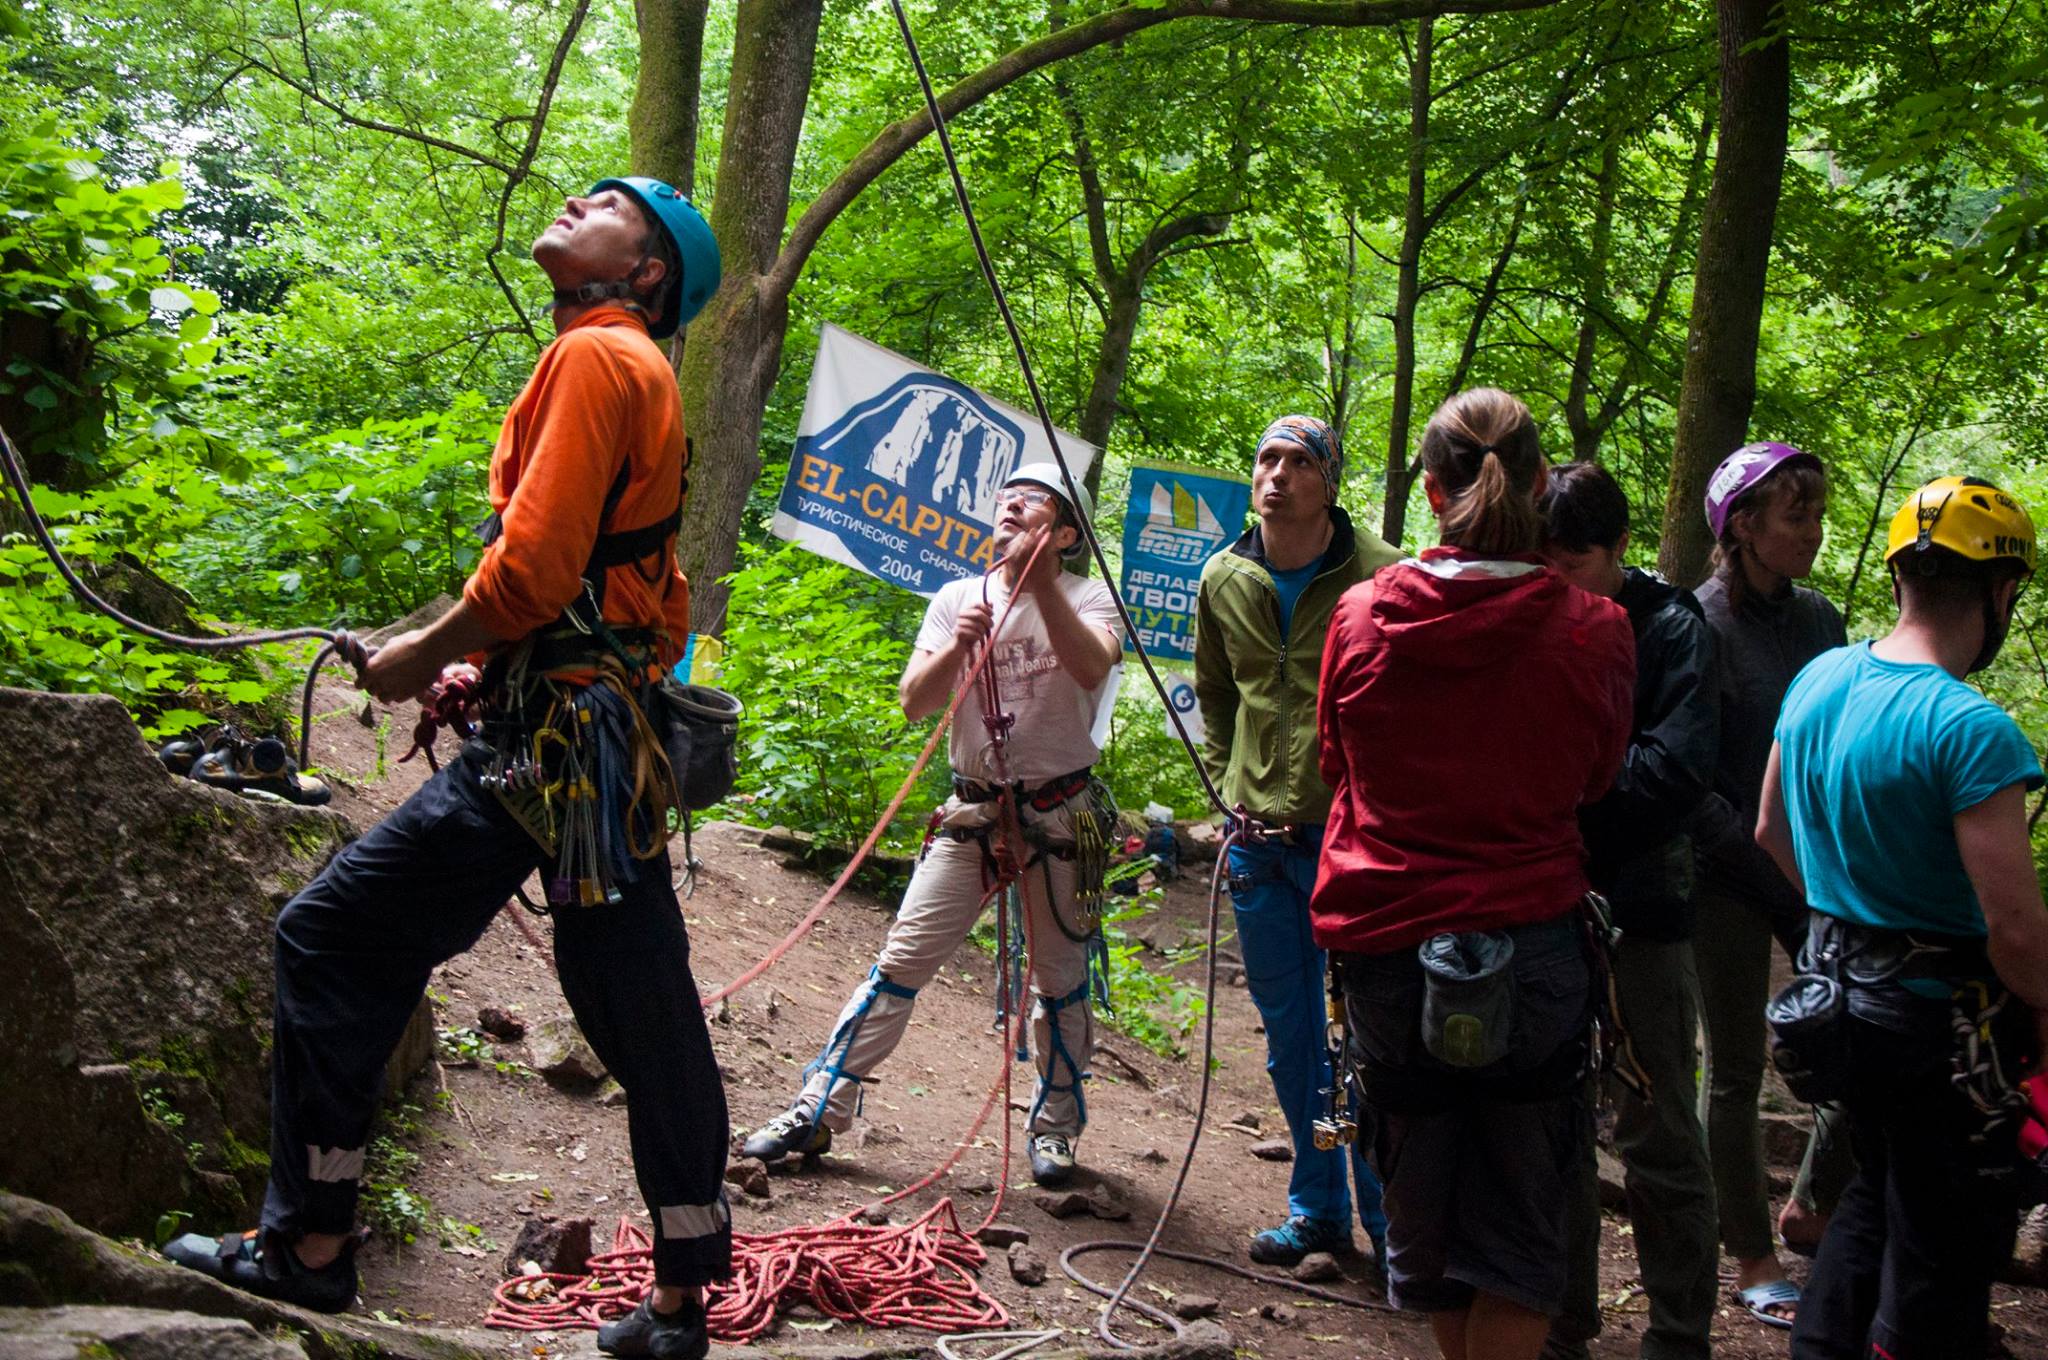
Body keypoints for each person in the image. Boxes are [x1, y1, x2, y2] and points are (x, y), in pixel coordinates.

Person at [163, 177, 732, 1360]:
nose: (580, 197)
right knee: (642, 1006)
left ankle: (310, 1245)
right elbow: (631, 593)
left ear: (646, 273)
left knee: (332, 937)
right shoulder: (627, 368)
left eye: (612, 204)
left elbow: (529, 574)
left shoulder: (599, 359)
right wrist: (496, 665)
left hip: (556, 754)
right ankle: (683, 1296)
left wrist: (421, 652)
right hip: (591, 745)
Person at [1314, 389, 1634, 1360]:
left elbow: (1337, 762)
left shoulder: (1362, 616)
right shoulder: (1592, 629)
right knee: (1521, 1232)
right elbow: (1594, 776)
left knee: (1427, 1214)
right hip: (1530, 953)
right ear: (1541, 484)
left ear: (1427, 490)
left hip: (1386, 951)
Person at [742, 463, 1124, 1188]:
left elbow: (1088, 667)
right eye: (1004, 501)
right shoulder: (956, 598)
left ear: (1067, 534)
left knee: (1061, 979)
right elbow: (915, 702)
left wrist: (1038, 586)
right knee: (902, 958)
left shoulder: (1089, 596)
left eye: (1031, 505)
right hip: (974, 810)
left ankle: (1056, 1129)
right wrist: (959, 645)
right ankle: (819, 1106)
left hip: (1061, 813)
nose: (1009, 510)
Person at [1757, 475, 2048, 1358]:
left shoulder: (1822, 677)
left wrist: (1852, 918)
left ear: (1897, 581)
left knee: (1874, 1204)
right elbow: (2016, 932)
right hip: (1943, 1034)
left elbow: (1769, 829)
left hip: (1839, 1006)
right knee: (1943, 1259)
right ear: (2002, 594)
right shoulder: (1970, 730)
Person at [1193, 414, 1401, 1267]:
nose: (1276, 475)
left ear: (1330, 480)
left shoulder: (1382, 574)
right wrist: (1224, 782)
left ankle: (1392, 1230)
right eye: (1265, 459)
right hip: (1258, 846)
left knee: (1370, 1036)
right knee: (1290, 1038)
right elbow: (1215, 692)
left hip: (1351, 845)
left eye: (1298, 461)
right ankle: (1318, 1209)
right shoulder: (1223, 575)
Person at [1537, 462, 1720, 1360]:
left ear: (1616, 550)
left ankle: (1681, 1333)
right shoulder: (1530, 612)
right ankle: (1562, 1318)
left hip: (1642, 911)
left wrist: (1562, 799)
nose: (1555, 581)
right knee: (1553, 1122)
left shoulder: (1674, 629)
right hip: (1545, 904)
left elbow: (1676, 774)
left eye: (1572, 564)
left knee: (1660, 1130)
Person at [1687, 440, 1848, 1328]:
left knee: (1861, 1041)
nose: (1814, 533)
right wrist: (1771, 867)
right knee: (1737, 1071)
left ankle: (1813, 1206)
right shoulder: (1700, 623)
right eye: (1798, 516)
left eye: (1819, 514)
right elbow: (1696, 783)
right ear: (1742, 527)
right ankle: (1751, 1253)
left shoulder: (1822, 623)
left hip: (1815, 872)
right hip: (1726, 881)